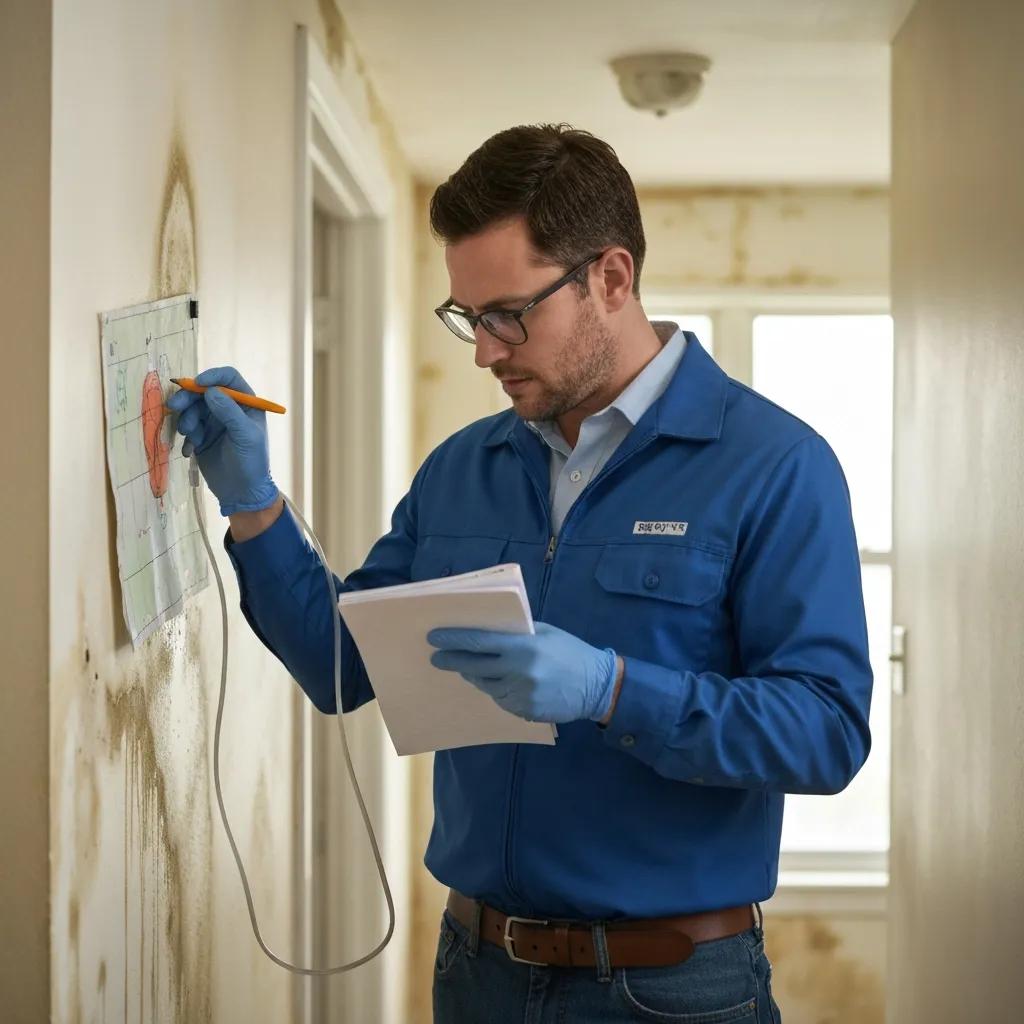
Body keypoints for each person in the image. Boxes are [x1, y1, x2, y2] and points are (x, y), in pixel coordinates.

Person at [169, 123, 872, 1024]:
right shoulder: (463, 468)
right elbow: (340, 667)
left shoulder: (775, 465)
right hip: (477, 976)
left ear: (610, 280)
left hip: (671, 991)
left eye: (509, 315)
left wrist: (614, 690)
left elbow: (826, 732)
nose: (484, 352)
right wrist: (254, 504)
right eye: (468, 318)